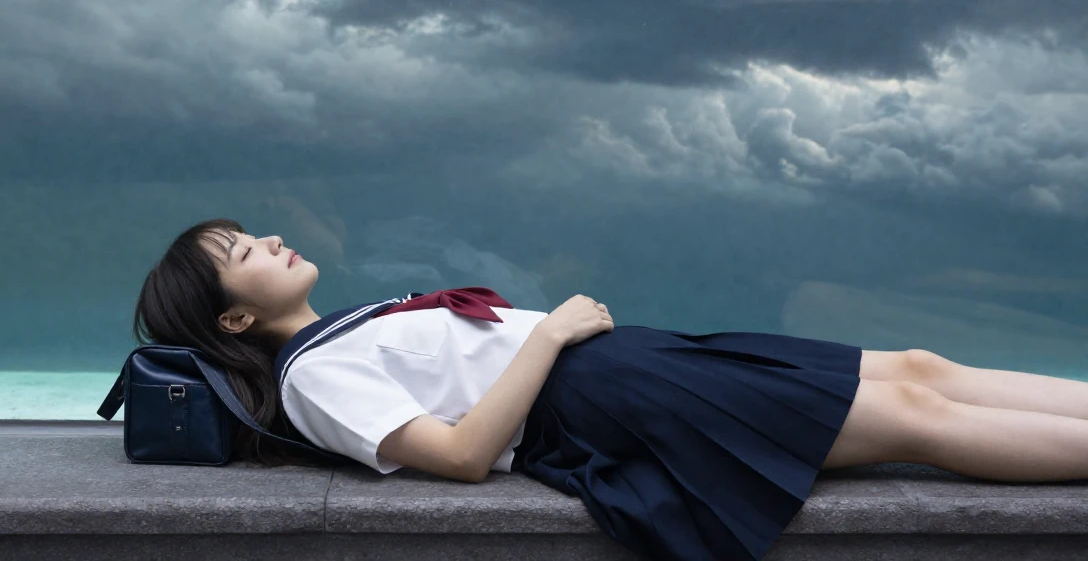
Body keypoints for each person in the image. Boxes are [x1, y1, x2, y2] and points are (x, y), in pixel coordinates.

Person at [133, 218, 1088, 561]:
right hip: (608, 398)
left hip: (633, 364)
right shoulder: (314, 378)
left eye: (252, 232)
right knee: (914, 418)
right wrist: (547, 335)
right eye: (243, 255)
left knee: (921, 368)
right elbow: (463, 459)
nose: (267, 242)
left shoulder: (345, 329)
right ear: (233, 324)